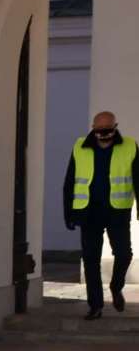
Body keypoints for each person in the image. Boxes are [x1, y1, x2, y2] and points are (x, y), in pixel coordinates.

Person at [63, 111, 136, 319]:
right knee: (90, 259)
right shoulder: (80, 146)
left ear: (115, 127)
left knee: (124, 254)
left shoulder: (130, 146)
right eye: (99, 131)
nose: (104, 135)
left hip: (118, 210)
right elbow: (69, 182)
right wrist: (68, 213)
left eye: (108, 130)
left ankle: (116, 286)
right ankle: (95, 306)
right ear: (93, 128)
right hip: (89, 212)